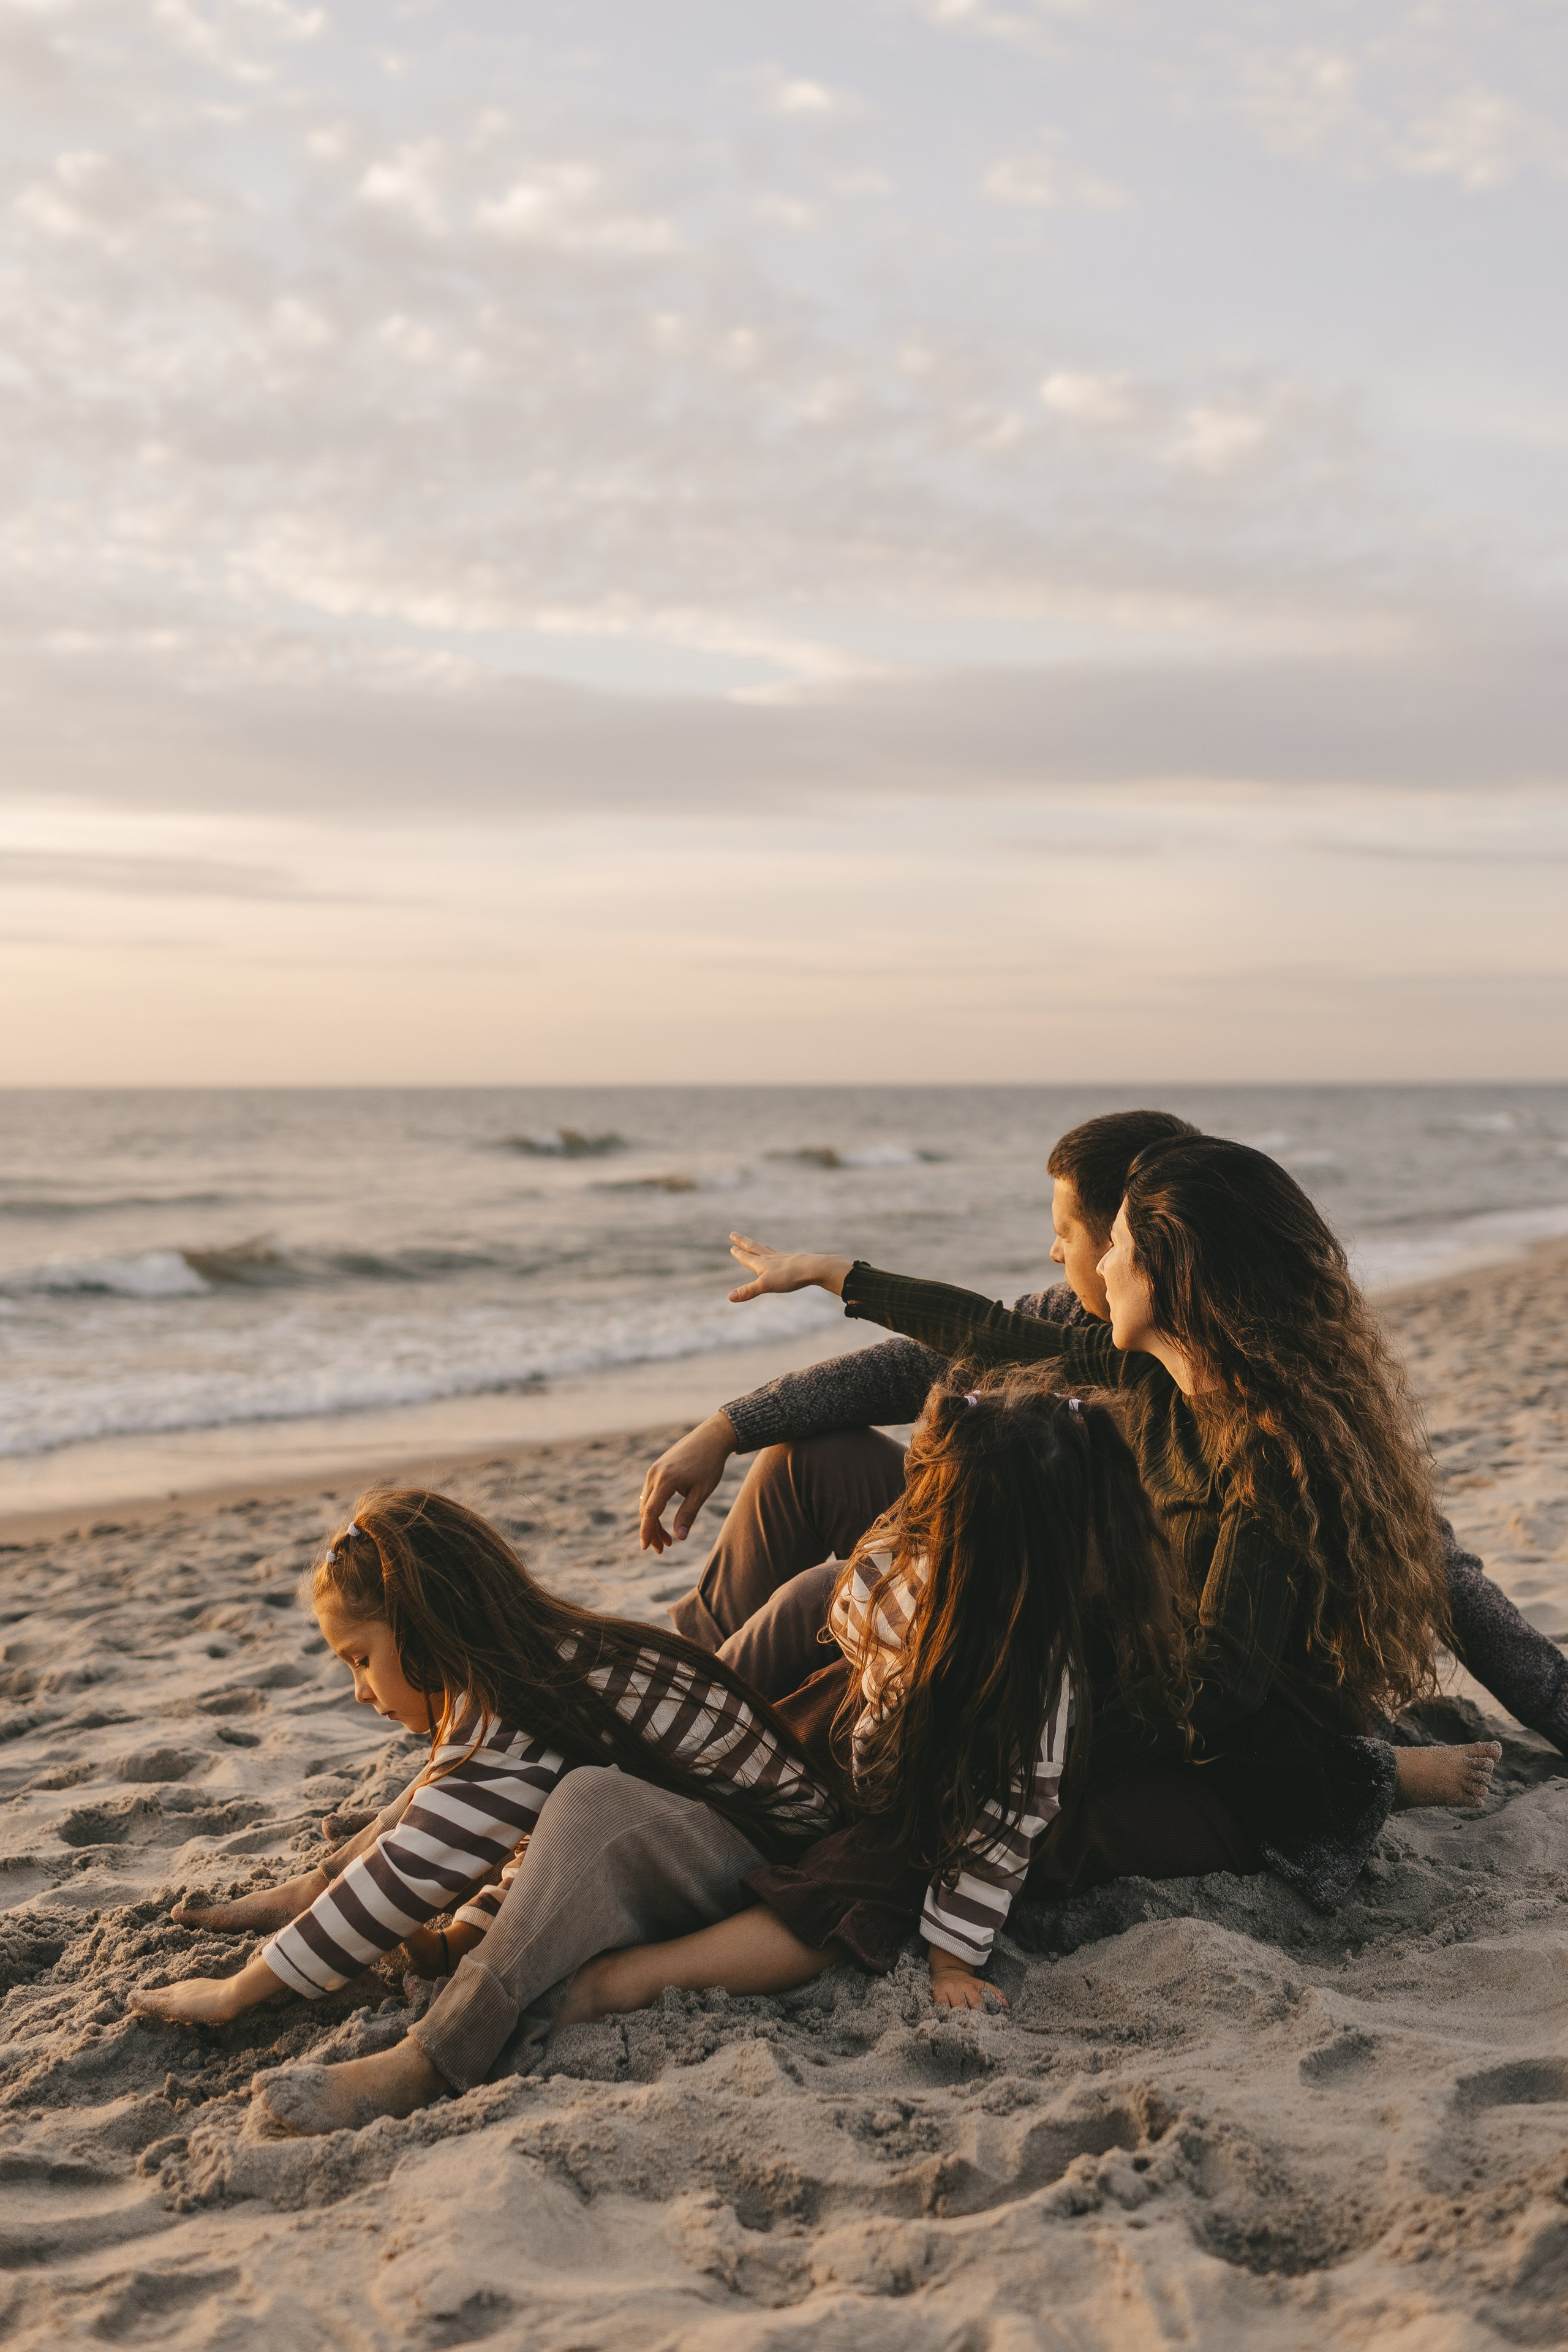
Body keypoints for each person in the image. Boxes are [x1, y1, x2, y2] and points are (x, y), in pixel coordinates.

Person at [669, 1134, 1506, 1907]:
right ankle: (674, 1744)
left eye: (1122, 1246)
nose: (1100, 1263)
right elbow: (992, 1336)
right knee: (870, 1656)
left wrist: (1017, 1741)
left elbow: (1220, 1690)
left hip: (1236, 1751)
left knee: (952, 1839)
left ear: (1172, 1277)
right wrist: (838, 1273)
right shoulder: (1149, 1378)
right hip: (1148, 1671)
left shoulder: (1268, 1457)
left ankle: (1374, 1774)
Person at [130, 1488, 837, 2126]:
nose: (358, 1690)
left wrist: (237, 1992)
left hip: (765, 1861)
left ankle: (435, 2055)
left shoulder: (521, 1719)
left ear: (423, 1630)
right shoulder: (524, 1670)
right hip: (696, 1833)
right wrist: (453, 1934)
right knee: (481, 1783)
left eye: (360, 1659)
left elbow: (418, 1867)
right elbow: (481, 1824)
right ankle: (331, 1890)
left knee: (581, 1800)